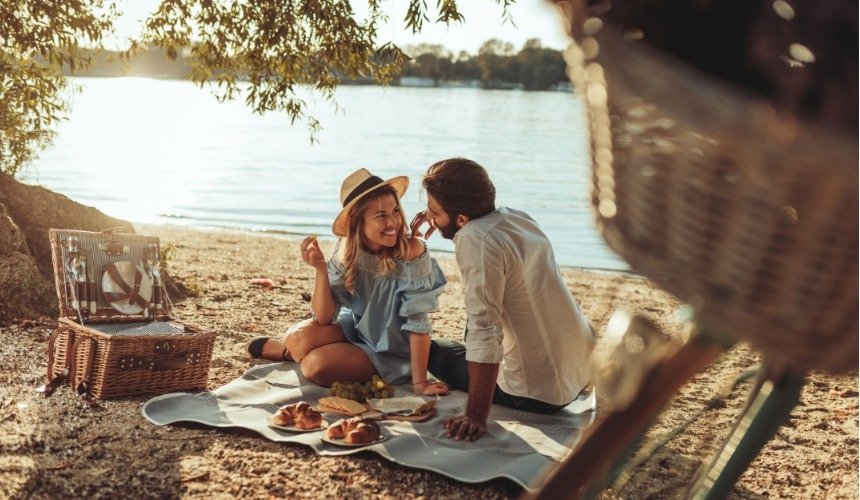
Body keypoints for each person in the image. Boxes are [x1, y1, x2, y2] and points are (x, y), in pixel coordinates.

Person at [409, 157, 596, 441]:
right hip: (581, 367)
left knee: (429, 351)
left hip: (538, 393)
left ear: (462, 219)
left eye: (435, 212)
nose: (430, 218)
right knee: (474, 321)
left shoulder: (474, 239)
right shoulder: (516, 217)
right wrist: (438, 213)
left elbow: (485, 330)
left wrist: (475, 415)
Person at [248, 168, 449, 396]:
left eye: (395, 211)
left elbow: (418, 322)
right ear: (356, 221)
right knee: (294, 338)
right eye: (381, 215)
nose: (393, 221)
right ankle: (289, 352)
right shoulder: (347, 250)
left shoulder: (412, 252)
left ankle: (295, 355)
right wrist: (320, 270)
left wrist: (420, 383)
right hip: (356, 329)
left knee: (314, 366)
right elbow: (324, 317)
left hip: (392, 351)